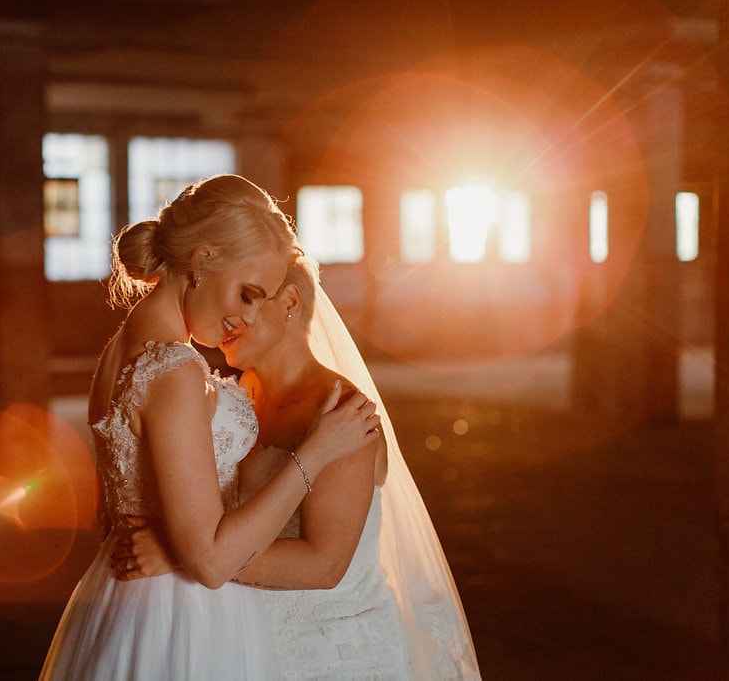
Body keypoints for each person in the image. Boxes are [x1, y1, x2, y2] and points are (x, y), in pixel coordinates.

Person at [39, 174, 381, 680]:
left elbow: (118, 511)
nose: (244, 316)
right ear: (202, 261)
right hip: (183, 618)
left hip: (125, 602)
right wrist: (315, 454)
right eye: (245, 293)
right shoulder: (174, 372)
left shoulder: (122, 351)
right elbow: (213, 562)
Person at [117, 256, 481, 680]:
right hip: (246, 640)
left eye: (246, 298)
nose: (228, 315)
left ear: (290, 301)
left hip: (336, 652)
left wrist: (184, 556)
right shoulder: (231, 404)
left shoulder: (343, 411)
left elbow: (324, 564)